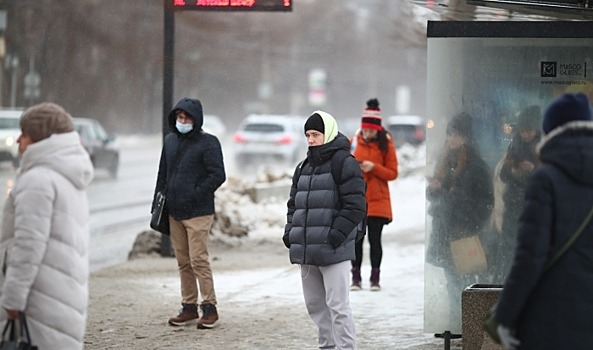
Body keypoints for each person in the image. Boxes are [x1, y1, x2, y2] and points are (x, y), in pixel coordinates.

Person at [494, 92, 593, 350]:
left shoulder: (546, 178)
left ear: (549, 131)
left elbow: (530, 256)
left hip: (550, 317)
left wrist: (504, 318)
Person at [0, 102, 94, 349]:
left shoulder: (37, 180)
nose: (18, 140)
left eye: (25, 133)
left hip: (38, 301)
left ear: (40, 139)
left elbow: (27, 247)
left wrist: (11, 300)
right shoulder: (67, 174)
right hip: (63, 296)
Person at [283, 110, 367, 350]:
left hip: (334, 250)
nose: (310, 139)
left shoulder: (344, 163)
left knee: (338, 306)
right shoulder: (303, 167)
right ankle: (327, 347)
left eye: (316, 134)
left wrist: (334, 236)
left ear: (327, 133)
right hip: (307, 252)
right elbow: (293, 204)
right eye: (308, 134)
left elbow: (356, 206)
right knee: (316, 306)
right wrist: (291, 232)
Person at [152, 97, 226, 329]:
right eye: (179, 117)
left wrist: (194, 194)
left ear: (196, 119)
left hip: (198, 212)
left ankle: (209, 307)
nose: (182, 121)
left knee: (198, 260)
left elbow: (217, 174)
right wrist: (159, 200)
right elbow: (163, 174)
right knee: (183, 261)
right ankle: (189, 306)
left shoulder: (208, 142)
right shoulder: (170, 141)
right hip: (174, 211)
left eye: (187, 117)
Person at [425, 112, 493, 328]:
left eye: (457, 135)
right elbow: (434, 196)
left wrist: (470, 224)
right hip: (445, 232)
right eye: (450, 134)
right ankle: (458, 326)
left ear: (467, 137)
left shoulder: (476, 165)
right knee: (452, 283)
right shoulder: (445, 162)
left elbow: (486, 201)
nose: (452, 139)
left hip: (463, 233)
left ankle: (469, 327)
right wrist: (434, 189)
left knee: (465, 282)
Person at [349, 98, 398, 291]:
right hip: (357, 200)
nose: (367, 134)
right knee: (356, 241)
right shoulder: (353, 142)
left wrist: (374, 167)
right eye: (365, 130)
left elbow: (393, 173)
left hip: (378, 201)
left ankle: (375, 278)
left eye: (371, 131)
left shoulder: (386, 144)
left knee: (375, 241)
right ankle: (355, 277)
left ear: (377, 129)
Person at [490, 105, 541, 282]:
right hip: (513, 207)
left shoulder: (544, 147)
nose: (525, 134)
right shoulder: (515, 145)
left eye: (528, 130)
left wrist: (533, 169)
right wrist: (514, 172)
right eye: (522, 131)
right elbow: (503, 173)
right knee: (508, 249)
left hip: (537, 209)